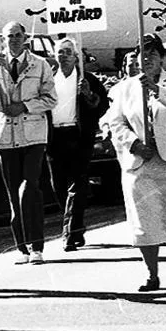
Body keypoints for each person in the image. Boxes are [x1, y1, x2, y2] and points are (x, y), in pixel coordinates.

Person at [105, 34, 166, 291]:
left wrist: (154, 88)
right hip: (140, 162)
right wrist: (134, 144)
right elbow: (116, 122)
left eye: (152, 55)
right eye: (142, 56)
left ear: (162, 59)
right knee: (144, 219)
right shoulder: (125, 88)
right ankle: (152, 274)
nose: (146, 60)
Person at [0, 21, 57, 265]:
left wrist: (24, 106)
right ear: (3, 39)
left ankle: (37, 246)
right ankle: (22, 248)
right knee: (13, 192)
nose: (13, 40)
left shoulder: (40, 64)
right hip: (6, 136)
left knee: (30, 187)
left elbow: (51, 99)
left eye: (17, 35)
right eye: (9, 36)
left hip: (33, 134)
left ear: (25, 38)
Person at [46, 38, 109, 252]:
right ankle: (77, 225)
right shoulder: (48, 80)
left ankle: (69, 233)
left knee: (78, 183)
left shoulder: (87, 79)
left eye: (67, 52)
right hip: (54, 137)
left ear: (76, 57)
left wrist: (89, 95)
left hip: (79, 135)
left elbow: (102, 106)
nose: (63, 56)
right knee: (59, 185)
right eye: (60, 52)